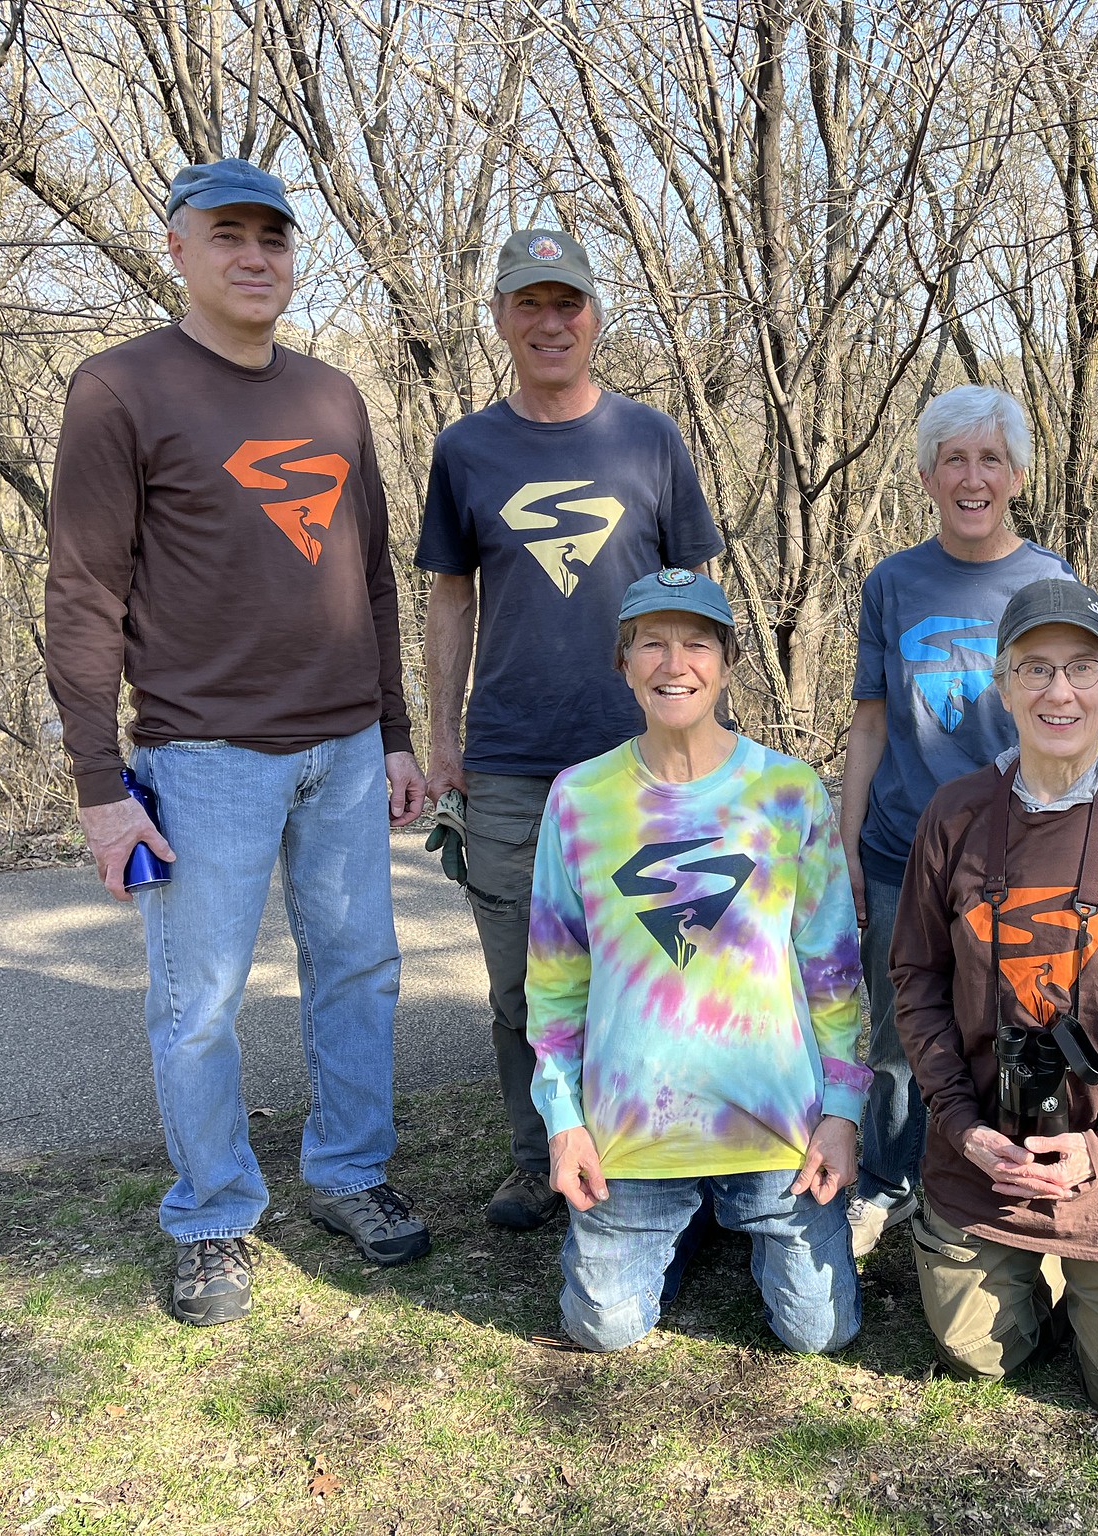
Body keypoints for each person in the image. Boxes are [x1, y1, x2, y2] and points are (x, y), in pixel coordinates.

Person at [43, 159, 431, 1327]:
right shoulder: (120, 389)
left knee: (359, 969)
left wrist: (398, 729)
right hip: (202, 753)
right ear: (178, 249)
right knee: (198, 1001)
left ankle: (351, 1174)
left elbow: (367, 574)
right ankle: (212, 1215)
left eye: (273, 236)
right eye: (228, 236)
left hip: (347, 746)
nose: (255, 256)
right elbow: (81, 596)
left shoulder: (331, 396)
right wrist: (102, 789)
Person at [416, 229, 723, 1231]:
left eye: (568, 303)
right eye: (528, 304)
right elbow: (448, 600)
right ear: (500, 318)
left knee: (658, 964)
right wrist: (440, 737)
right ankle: (532, 1153)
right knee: (519, 986)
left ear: (595, 315)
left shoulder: (650, 441)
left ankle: (667, 1150)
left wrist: (707, 731)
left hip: (639, 757)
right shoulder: (465, 450)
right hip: (508, 760)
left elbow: (697, 598)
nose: (550, 323)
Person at [892, 578, 1098, 1415]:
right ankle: (1002, 1255)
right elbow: (917, 980)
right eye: (1034, 669)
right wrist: (960, 1125)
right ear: (1001, 686)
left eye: (1082, 668)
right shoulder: (956, 815)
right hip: (986, 1157)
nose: (1059, 692)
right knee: (980, 1358)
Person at [526, 570, 869, 1353]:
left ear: (727, 660)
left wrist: (843, 1111)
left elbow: (832, 969)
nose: (673, 663)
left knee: (821, 1334)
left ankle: (727, 1213)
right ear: (624, 663)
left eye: (696, 643)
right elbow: (555, 980)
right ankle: (682, 1223)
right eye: (652, 643)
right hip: (633, 1136)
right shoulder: (579, 798)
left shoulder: (788, 792)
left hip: (776, 1132)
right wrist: (563, 1122)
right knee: (603, 1330)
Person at [843, 385, 1074, 1256]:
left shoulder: (1048, 582)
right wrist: (849, 845)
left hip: (1015, 848)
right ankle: (887, 1181)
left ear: (1016, 473)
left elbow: (1073, 723)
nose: (971, 477)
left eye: (988, 459)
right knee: (901, 1026)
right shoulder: (892, 582)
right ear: (927, 474)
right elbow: (869, 722)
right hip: (902, 846)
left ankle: (1006, 1180)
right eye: (953, 459)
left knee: (1014, 1020)